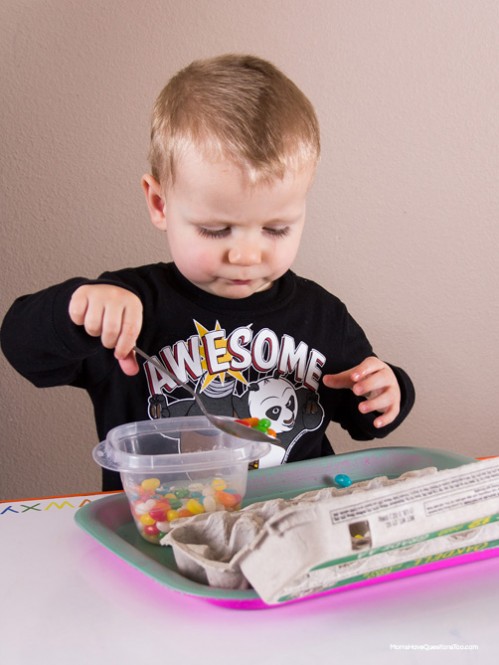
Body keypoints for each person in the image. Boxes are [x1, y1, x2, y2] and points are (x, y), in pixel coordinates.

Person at [1, 54, 415, 491]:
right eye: (216, 230)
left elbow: (365, 420)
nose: (246, 255)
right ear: (160, 204)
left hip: (291, 526)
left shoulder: (322, 314)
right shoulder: (128, 305)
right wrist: (77, 307)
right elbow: (23, 351)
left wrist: (389, 390)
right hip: (161, 528)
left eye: (276, 228)